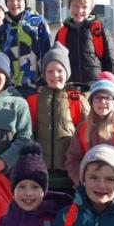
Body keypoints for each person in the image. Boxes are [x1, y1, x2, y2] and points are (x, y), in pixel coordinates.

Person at [64, 74, 114, 191]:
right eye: (97, 98)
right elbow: (73, 159)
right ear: (91, 102)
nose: (102, 102)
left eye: (107, 98)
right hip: (91, 190)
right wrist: (81, 180)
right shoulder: (83, 129)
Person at [27, 44, 88, 195]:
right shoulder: (34, 101)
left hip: (69, 175)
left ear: (67, 73)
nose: (55, 75)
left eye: (60, 70)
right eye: (50, 71)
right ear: (44, 74)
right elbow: (27, 136)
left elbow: (86, 138)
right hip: (41, 173)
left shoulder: (77, 101)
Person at [54, 0, 114, 88]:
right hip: (69, 90)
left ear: (91, 8)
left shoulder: (99, 30)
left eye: (84, 7)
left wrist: (112, 88)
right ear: (69, 6)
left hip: (95, 91)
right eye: (75, 6)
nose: (79, 11)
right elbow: (56, 62)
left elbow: (111, 62)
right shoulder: (62, 33)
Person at [0, 0, 52, 96]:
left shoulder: (38, 22)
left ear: (25, 1)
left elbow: (47, 53)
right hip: (8, 88)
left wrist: (43, 81)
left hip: (33, 86)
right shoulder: (2, 26)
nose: (14, 3)